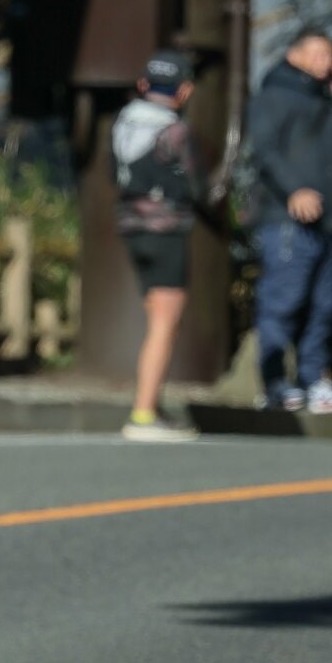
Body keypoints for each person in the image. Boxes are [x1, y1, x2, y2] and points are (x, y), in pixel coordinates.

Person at [246, 27, 332, 414]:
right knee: (284, 301)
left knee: (324, 306)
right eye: (317, 53)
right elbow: (264, 152)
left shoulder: (327, 97)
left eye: (330, 54)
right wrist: (295, 189)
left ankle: (313, 380)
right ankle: (274, 382)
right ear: (294, 54)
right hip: (287, 220)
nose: (326, 62)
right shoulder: (274, 95)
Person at [112, 49, 202, 442]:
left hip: (131, 226)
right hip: (166, 230)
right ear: (185, 90)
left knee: (155, 318)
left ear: (143, 84)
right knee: (164, 325)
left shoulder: (123, 121)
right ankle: (144, 412)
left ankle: (150, 405)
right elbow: (196, 183)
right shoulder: (174, 130)